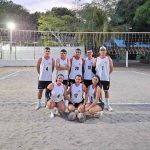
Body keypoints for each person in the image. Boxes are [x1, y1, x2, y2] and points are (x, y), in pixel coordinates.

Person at [93, 46, 113, 111]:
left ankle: (108, 105)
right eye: (101, 50)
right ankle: (98, 104)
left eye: (103, 50)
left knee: (106, 91)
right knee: (98, 92)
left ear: (105, 51)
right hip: (98, 79)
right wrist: (96, 76)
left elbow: (111, 69)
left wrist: (107, 74)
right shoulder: (96, 59)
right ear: (99, 51)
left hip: (106, 79)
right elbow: (93, 68)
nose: (102, 51)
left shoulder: (108, 59)